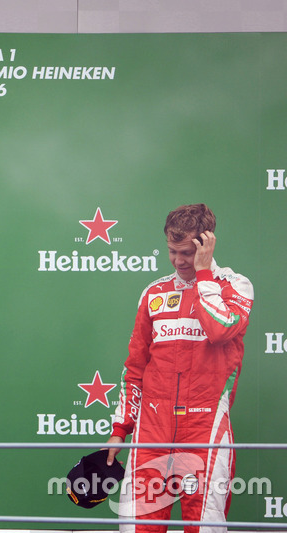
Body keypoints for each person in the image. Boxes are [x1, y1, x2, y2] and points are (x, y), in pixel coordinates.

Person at [106, 204, 254, 533]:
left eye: (187, 252)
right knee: (135, 528)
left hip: (205, 433)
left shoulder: (236, 286)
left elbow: (219, 330)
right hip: (151, 432)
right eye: (172, 252)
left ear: (206, 245)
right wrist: (121, 428)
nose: (179, 261)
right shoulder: (154, 294)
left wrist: (204, 275)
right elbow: (135, 369)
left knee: (205, 529)